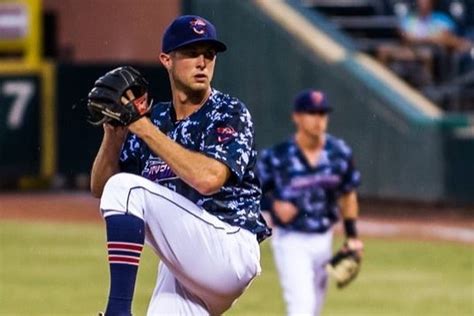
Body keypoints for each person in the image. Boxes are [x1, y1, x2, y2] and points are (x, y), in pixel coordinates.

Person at [90, 15, 271, 316]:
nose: (202, 62)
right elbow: (101, 189)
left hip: (228, 246)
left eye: (209, 54)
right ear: (166, 60)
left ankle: (117, 311)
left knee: (128, 188)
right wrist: (114, 135)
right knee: (121, 187)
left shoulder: (228, 112)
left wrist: (142, 127)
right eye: (191, 53)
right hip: (187, 264)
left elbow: (209, 179)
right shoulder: (156, 118)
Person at [256, 89, 363, 316]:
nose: (318, 119)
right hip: (291, 240)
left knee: (313, 309)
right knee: (301, 308)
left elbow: (348, 194)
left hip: (324, 239)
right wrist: (273, 205)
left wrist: (352, 237)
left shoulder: (339, 152)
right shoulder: (278, 155)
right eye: (311, 113)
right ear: (297, 117)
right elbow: (252, 190)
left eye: (322, 113)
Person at [377, 0, 472, 84]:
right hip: (408, 52)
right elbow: (406, 36)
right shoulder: (410, 19)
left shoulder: (440, 19)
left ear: (431, 4)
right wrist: (429, 37)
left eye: (425, 2)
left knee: (426, 54)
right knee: (384, 49)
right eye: (420, 2)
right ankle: (380, 82)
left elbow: (447, 38)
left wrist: (426, 38)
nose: (422, 4)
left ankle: (428, 86)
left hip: (431, 57)